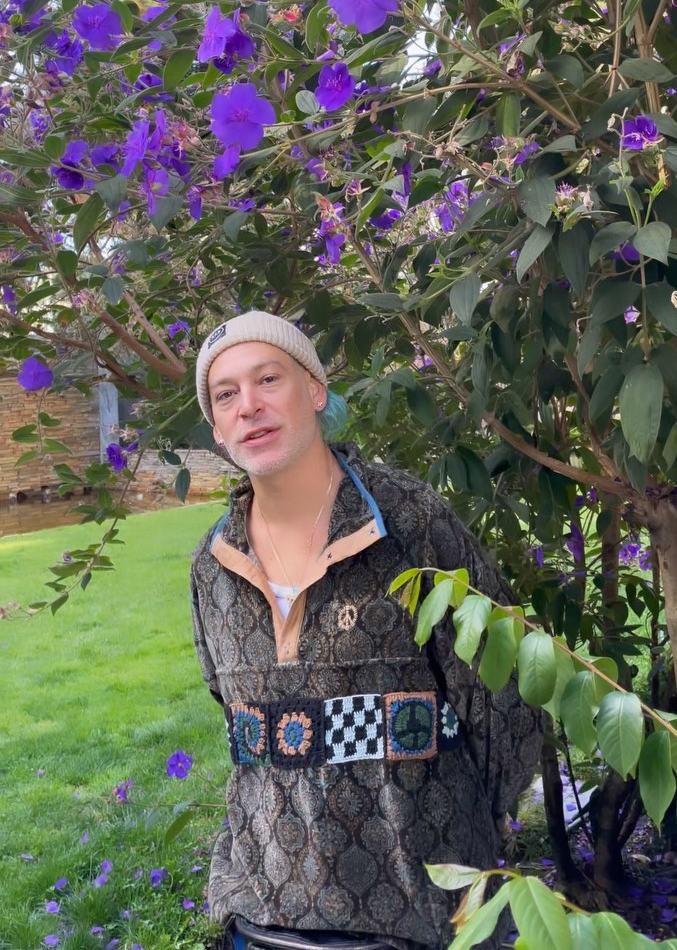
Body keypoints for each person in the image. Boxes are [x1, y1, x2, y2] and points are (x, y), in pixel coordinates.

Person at [191, 311, 543, 950]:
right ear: (217, 428)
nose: (249, 406)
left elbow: (505, 696)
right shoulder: (213, 565)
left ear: (314, 390)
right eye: (225, 394)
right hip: (264, 917)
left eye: (268, 379)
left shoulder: (408, 524)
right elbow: (233, 716)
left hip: (425, 918)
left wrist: (464, 831)